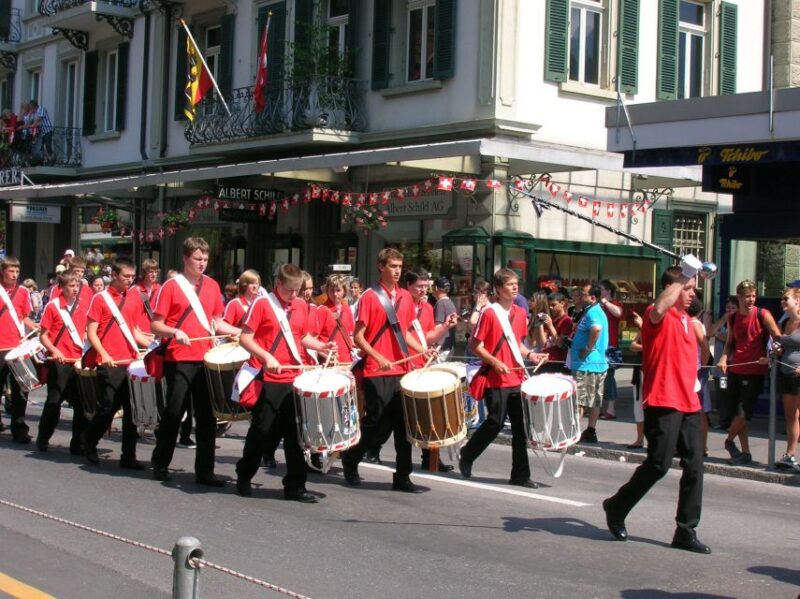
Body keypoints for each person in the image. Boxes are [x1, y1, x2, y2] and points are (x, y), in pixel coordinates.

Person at [602, 261, 711, 553]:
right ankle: (617, 506)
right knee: (658, 464)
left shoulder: (689, 321)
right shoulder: (656, 314)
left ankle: (685, 530)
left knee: (695, 465)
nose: (692, 293)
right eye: (687, 288)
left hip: (688, 401)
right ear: (670, 288)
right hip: (663, 399)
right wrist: (684, 275)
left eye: (693, 288)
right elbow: (661, 308)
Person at [235, 263, 336, 502]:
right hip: (269, 378)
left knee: (296, 435)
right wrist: (267, 356)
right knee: (261, 431)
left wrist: (322, 346)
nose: (294, 295)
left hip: (294, 378)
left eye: (297, 290)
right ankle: (244, 474)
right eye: (290, 290)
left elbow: (301, 337)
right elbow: (245, 338)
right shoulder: (262, 304)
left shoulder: (301, 305)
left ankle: (295, 486)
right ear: (278, 284)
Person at [150, 238, 242, 485]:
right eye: (197, 258)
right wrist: (174, 333)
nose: (202, 263)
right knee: (174, 411)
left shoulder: (212, 286)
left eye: (205, 259)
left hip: (206, 359)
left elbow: (216, 321)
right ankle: (160, 462)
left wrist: (237, 332)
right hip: (179, 359)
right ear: (186, 258)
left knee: (206, 417)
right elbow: (155, 324)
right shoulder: (170, 286)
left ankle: (205, 471)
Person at [341, 248, 433, 493]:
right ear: (381, 267)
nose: (397, 271)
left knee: (404, 426)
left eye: (399, 267)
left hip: (401, 369)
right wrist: (379, 357)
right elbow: (358, 337)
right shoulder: (370, 297)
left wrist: (423, 350)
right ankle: (351, 459)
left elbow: (404, 333)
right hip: (376, 370)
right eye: (392, 266)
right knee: (375, 424)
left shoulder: (405, 297)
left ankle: (403, 476)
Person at [457, 268, 547, 488]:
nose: (515, 287)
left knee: (520, 428)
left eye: (516, 283)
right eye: (510, 284)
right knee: (495, 422)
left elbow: (516, 345)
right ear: (498, 289)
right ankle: (467, 454)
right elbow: (475, 345)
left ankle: (520, 475)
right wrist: (495, 362)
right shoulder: (489, 313)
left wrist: (531, 355)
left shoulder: (519, 313)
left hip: (515, 378)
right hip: (496, 379)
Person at [81, 258, 152, 469]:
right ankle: (89, 440)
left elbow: (135, 330)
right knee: (108, 406)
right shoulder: (100, 299)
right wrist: (103, 354)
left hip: (130, 360)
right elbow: (91, 332)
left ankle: (128, 456)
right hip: (109, 361)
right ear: (114, 275)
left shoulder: (135, 297)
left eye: (132, 276)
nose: (130, 280)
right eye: (125, 276)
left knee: (132, 410)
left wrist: (152, 344)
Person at [716, 280, 780, 465]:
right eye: (747, 296)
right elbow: (730, 343)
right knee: (736, 413)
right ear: (739, 297)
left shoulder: (763, 314)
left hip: (754, 370)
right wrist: (723, 359)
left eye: (753, 295)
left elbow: (777, 337)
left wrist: (770, 356)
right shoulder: (733, 317)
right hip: (736, 369)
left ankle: (728, 441)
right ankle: (745, 453)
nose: (751, 299)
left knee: (744, 413)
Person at [405, 268, 458, 472]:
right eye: (419, 286)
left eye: (426, 286)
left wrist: (444, 327)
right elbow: (403, 334)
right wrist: (422, 350)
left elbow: (427, 336)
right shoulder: (403, 305)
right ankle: (372, 449)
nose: (423, 290)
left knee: (427, 413)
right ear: (408, 286)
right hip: (405, 362)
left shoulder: (428, 307)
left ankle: (430, 456)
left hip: (421, 364)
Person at [36, 271, 89, 454]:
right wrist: (55, 350)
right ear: (62, 287)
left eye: (77, 286)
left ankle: (78, 443)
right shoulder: (53, 306)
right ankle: (43, 438)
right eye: (71, 286)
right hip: (59, 360)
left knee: (81, 404)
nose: (75, 289)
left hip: (77, 360)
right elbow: (43, 336)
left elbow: (85, 332)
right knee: (54, 401)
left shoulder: (83, 306)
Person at [0, 256, 37, 443]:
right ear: (3, 271)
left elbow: (23, 317)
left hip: (16, 346)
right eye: (11, 271)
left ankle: (19, 427)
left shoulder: (23, 291)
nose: (14, 275)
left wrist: (36, 326)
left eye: (17, 271)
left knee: (21, 387)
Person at [571, 283, 609, 443]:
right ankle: (590, 430)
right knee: (594, 400)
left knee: (579, 400)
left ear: (593, 298)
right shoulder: (594, 311)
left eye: (583, 294)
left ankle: (574, 432)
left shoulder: (593, 312)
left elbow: (596, 329)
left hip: (586, 364)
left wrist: (587, 348)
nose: (580, 296)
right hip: (597, 363)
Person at [775, 287, 800, 472]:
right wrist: (778, 351)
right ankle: (790, 454)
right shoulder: (785, 322)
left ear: (797, 302)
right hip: (786, 373)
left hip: (798, 374)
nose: (783, 302)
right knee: (791, 416)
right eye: (782, 299)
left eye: (786, 299)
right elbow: (784, 346)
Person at [708, 296, 738, 429]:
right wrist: (723, 320)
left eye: (733, 308)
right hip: (720, 369)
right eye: (728, 308)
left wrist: (720, 336)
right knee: (722, 393)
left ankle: (731, 421)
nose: (730, 310)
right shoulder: (724, 321)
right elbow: (710, 332)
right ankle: (723, 420)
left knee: (730, 394)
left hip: (731, 366)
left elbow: (732, 338)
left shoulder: (739, 322)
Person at [687, 297, 712, 456]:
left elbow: (704, 348)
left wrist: (700, 366)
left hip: (694, 372)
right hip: (694, 370)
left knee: (699, 410)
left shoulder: (693, 324)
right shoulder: (697, 324)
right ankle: (700, 446)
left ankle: (702, 446)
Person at [598, 280, 624, 420]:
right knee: (600, 377)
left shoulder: (614, 303)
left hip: (611, 345)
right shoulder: (598, 305)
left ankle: (611, 408)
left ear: (608, 290)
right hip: (599, 345)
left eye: (601, 289)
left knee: (609, 377)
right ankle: (602, 407)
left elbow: (618, 313)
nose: (599, 292)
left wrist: (606, 302)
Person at [538, 291, 573, 374]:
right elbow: (544, 344)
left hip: (558, 363)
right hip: (546, 361)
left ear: (562, 303)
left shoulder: (566, 321)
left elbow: (561, 344)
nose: (550, 307)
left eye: (553, 305)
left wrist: (550, 326)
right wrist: (540, 325)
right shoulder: (551, 319)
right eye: (549, 305)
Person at [432, 277, 457, 353]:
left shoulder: (441, 304)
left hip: (440, 348)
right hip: (449, 345)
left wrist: (433, 345)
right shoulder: (450, 303)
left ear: (435, 288)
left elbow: (438, 327)